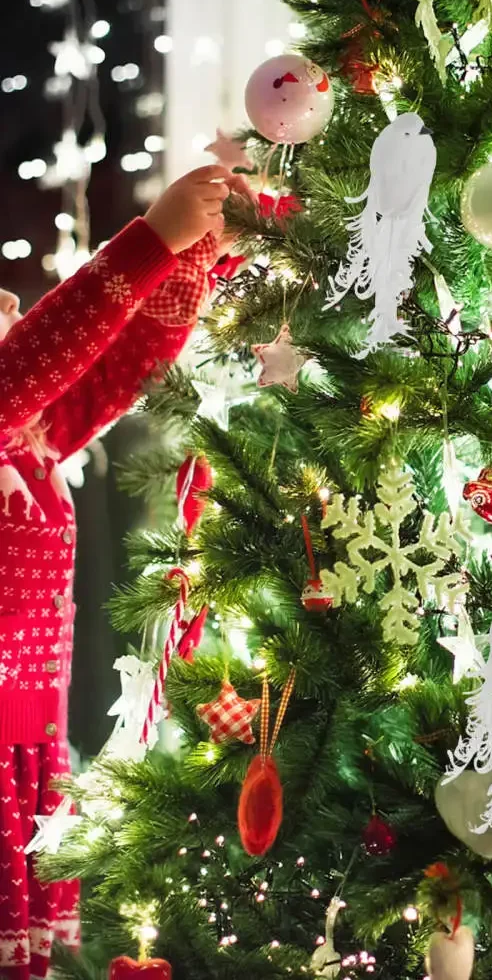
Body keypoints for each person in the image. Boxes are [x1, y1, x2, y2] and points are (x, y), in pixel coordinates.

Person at [0, 164, 243, 980]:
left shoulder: (28, 437)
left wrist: (190, 256)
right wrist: (148, 243)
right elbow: (38, 357)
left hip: (28, 754)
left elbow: (112, 365)